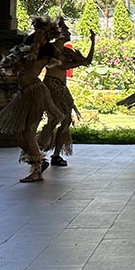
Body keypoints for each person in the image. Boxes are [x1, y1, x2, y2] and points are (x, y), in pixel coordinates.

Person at [0, 17, 64, 183]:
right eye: (38, 33)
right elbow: (13, 65)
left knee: (28, 131)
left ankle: (36, 170)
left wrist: (37, 45)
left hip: (35, 92)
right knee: (16, 132)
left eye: (43, 34)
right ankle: (38, 158)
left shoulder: (44, 53)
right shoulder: (24, 50)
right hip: (24, 92)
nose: (40, 36)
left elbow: (29, 66)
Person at [37, 18, 96, 167]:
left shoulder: (66, 51)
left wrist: (93, 42)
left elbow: (87, 61)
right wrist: (78, 62)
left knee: (66, 120)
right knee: (54, 119)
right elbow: (63, 66)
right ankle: (38, 152)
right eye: (66, 30)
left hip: (62, 87)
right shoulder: (51, 49)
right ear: (59, 33)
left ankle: (55, 155)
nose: (69, 32)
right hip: (51, 86)